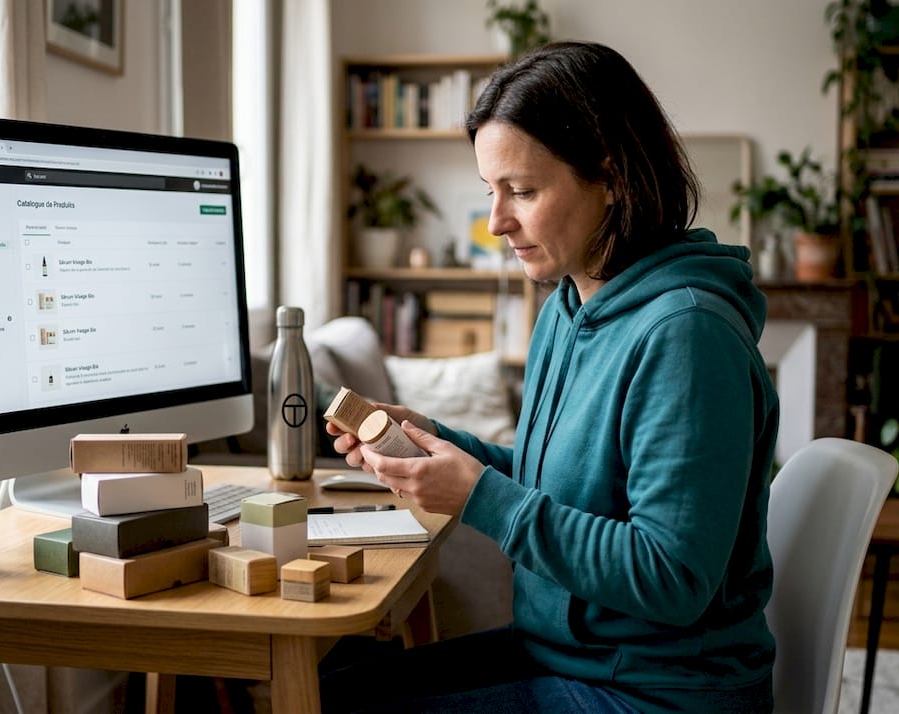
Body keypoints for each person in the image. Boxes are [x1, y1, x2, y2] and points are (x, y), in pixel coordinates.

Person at [320, 41, 780, 714]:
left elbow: (673, 575)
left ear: (613, 178)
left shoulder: (687, 335)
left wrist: (479, 497)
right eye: (491, 192)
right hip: (571, 656)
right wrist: (434, 442)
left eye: (523, 191)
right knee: (334, 688)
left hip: (660, 692)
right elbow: (564, 481)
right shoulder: (570, 303)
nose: (496, 222)